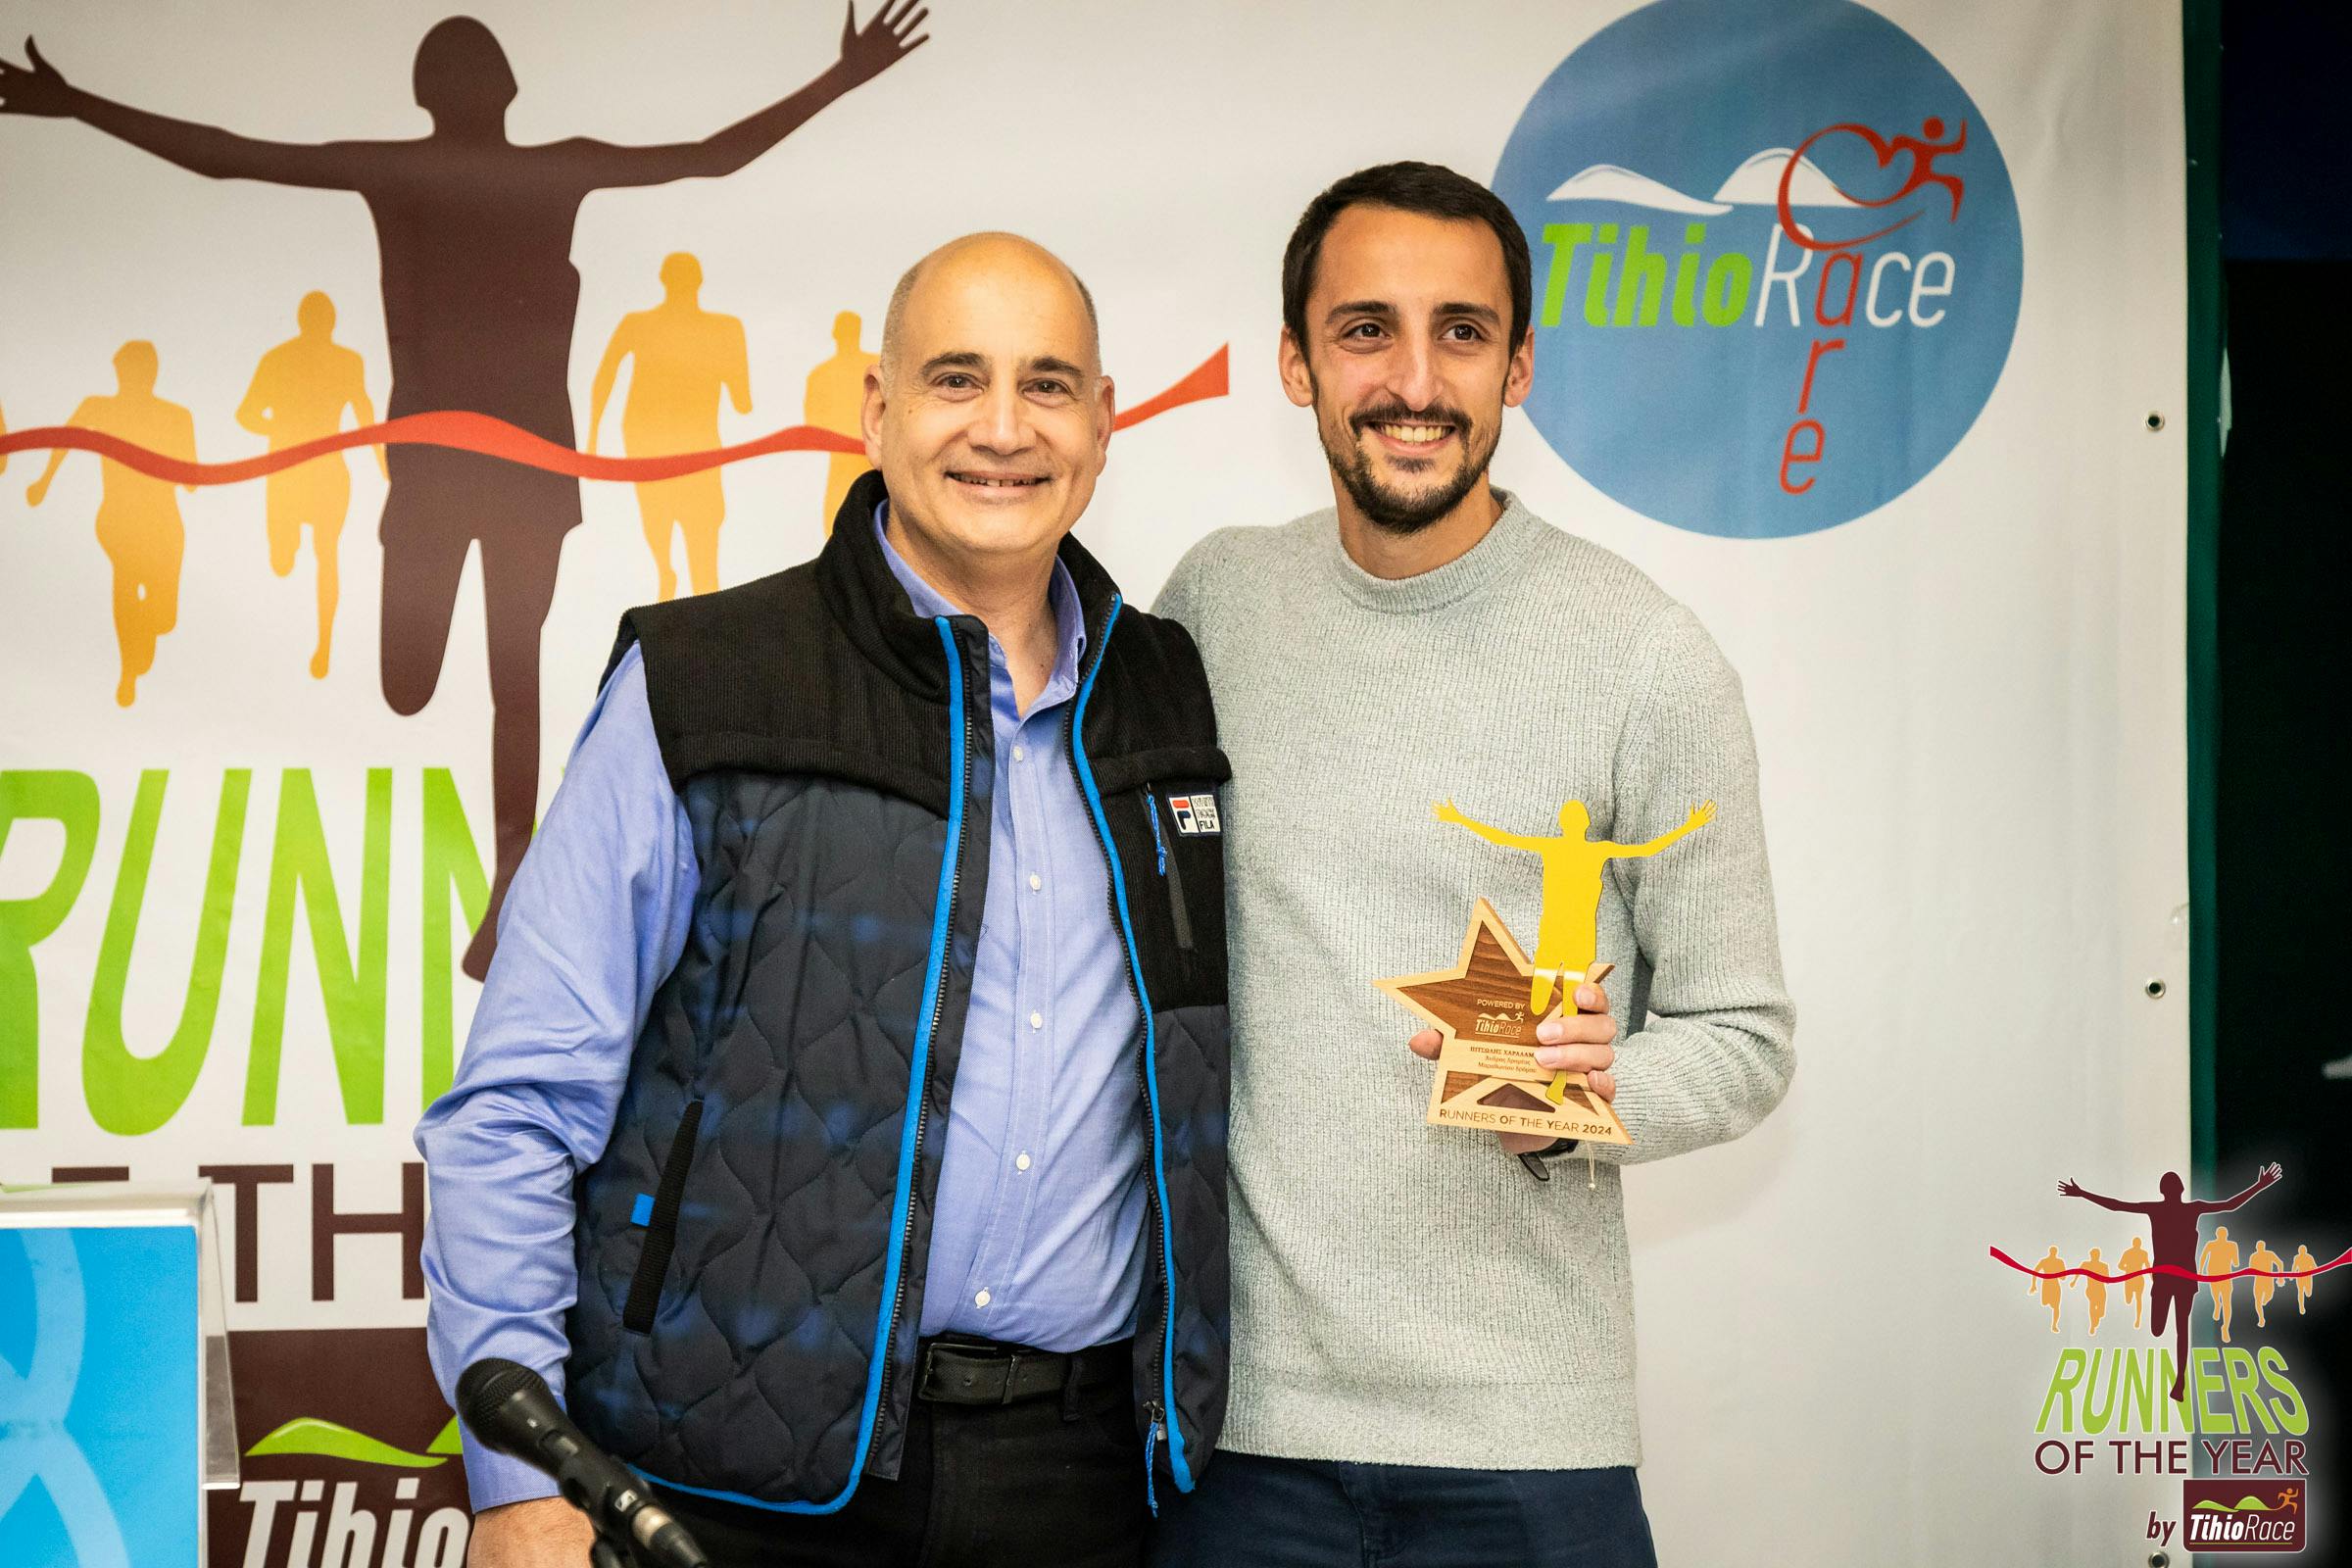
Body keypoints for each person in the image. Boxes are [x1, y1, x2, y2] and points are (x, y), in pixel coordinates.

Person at [416, 232, 1229, 1568]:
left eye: (1047, 384)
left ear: (1102, 422)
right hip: (727, 1486)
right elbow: (516, 1108)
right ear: (877, 407)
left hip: (1082, 1486)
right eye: (957, 378)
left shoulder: (1170, 694)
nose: (1003, 428)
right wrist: (516, 1480)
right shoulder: (704, 680)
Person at [1151, 162, 1795, 1568]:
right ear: (1296, 363)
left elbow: (1745, 1037)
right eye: (1365, 329)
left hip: (1529, 1456)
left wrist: (1585, 1096)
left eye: (1461, 331)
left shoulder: (1645, 656)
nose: (1414, 381)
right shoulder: (1212, 605)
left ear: (1520, 366)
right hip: (1238, 1441)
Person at [0, 5, 929, 977]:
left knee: (511, 671)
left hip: (528, 465)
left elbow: (710, 158)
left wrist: (844, 78)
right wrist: (78, 104)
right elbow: (230, 156)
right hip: (434, 469)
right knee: (409, 684)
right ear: (498, 90)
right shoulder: (423, 170)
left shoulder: (523, 169)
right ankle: (503, 853)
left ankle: (509, 884)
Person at [24, 341, 198, 707]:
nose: (131, 379)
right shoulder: (99, 407)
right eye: (125, 372)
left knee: (165, 619)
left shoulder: (176, 416)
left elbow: (192, 480)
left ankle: (144, 633)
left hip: (165, 525)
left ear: (153, 374)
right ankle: (127, 671)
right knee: (126, 576)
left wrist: (184, 473)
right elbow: (64, 440)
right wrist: (43, 482)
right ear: (118, 373)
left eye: (138, 372)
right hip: (119, 519)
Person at [587, 252, 753, 601]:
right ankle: (679, 582)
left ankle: (669, 574)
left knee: (664, 521)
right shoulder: (724, 328)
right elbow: (743, 403)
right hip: (675, 446)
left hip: (666, 445)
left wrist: (592, 438)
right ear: (699, 282)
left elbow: (604, 377)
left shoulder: (640, 323)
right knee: (694, 532)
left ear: (663, 280)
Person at [236, 290, 384, 678]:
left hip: (327, 473)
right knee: (284, 561)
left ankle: (324, 643)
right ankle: (283, 550)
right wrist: (283, 428)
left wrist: (384, 466)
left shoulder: (347, 362)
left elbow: (366, 418)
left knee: (326, 554)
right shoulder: (278, 359)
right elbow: (246, 414)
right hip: (288, 472)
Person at [2058, 1162, 2282, 1400]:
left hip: (2184, 1278)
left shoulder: (2191, 1209)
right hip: (2164, 1278)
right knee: (2158, 1328)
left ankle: (2180, 1382)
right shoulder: (2159, 1209)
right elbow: (2117, 1206)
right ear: (2176, 1190)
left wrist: (2259, 1186)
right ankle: (2177, 1375)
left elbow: (2229, 1205)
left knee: (2181, 1330)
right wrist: (2082, 1193)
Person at [808, 309, 882, 529]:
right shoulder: (821, 373)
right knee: (836, 515)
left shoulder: (879, 368)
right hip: (839, 459)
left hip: (875, 462)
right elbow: (812, 418)